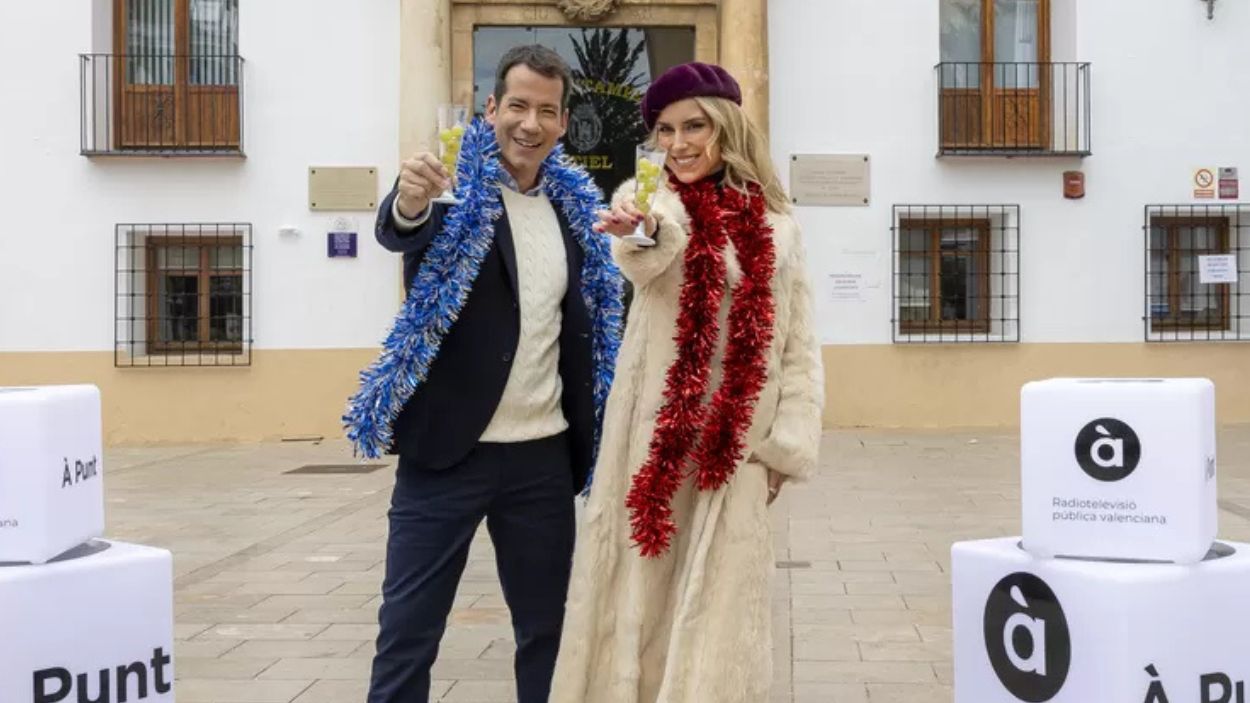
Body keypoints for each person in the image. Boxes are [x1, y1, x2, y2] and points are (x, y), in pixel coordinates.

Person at [343, 45, 623, 703]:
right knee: (408, 632)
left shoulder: (577, 214)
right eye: (518, 105)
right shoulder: (451, 191)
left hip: (542, 460)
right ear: (490, 108)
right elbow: (400, 228)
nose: (530, 123)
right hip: (445, 455)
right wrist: (409, 199)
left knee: (548, 633)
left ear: (563, 123)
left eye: (547, 111)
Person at [549, 61, 824, 702]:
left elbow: (799, 344)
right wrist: (642, 231)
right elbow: (647, 249)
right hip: (655, 440)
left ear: (726, 127)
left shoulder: (781, 226)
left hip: (739, 447)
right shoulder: (653, 201)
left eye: (693, 126)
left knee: (724, 606)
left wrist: (786, 444)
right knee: (640, 596)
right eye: (665, 130)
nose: (678, 143)